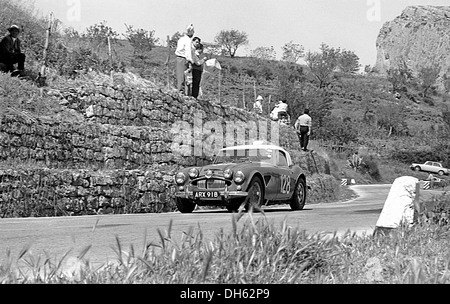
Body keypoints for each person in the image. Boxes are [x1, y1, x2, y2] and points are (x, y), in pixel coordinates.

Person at [175, 24, 195, 94]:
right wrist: (190, 60)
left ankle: (181, 91)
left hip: (179, 58)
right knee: (183, 77)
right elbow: (188, 51)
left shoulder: (181, 39)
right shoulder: (188, 40)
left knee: (180, 76)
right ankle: (181, 92)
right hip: (183, 58)